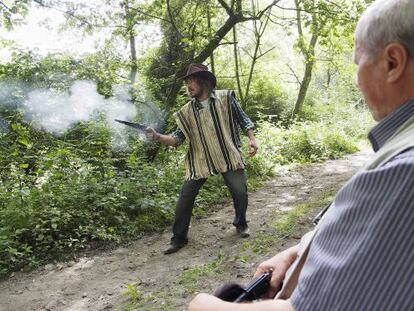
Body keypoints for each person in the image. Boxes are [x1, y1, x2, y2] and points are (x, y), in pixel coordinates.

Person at [188, 0, 414, 309]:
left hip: (230, 158)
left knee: (239, 195)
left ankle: (240, 223)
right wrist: (302, 249)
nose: (356, 78)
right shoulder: (186, 111)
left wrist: (201, 305)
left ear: (392, 62)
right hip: (205, 164)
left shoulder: (401, 172)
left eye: (357, 61)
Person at [146, 63, 258, 255]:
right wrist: (157, 136)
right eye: (186, 82)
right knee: (185, 197)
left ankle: (241, 223)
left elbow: (243, 119)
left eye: (192, 81)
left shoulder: (225, 98)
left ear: (204, 81)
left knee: (240, 191)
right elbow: (176, 139)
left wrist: (252, 139)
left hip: (227, 154)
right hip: (201, 159)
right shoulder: (186, 112)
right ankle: (179, 238)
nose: (188, 85)